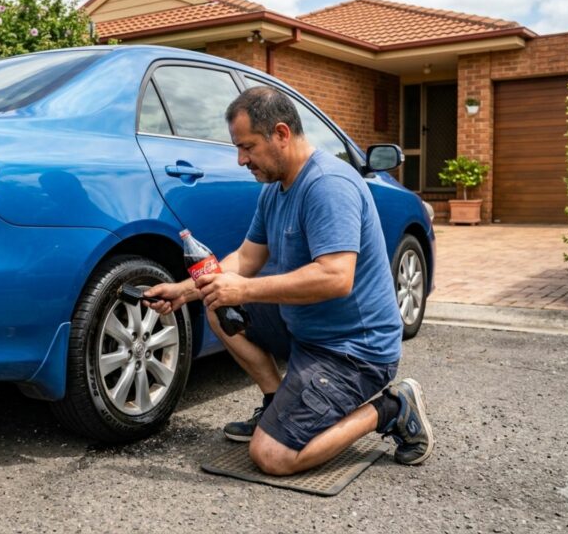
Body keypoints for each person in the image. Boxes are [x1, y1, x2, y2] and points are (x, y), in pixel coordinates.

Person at [145, 86, 434, 476]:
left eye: (247, 147)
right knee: (220, 304)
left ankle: (393, 408)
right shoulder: (275, 190)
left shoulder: (328, 185)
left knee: (272, 456)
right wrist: (184, 291)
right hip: (306, 329)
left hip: (353, 351)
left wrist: (243, 289)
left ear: (281, 134)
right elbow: (246, 258)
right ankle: (275, 403)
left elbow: (336, 278)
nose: (240, 159)